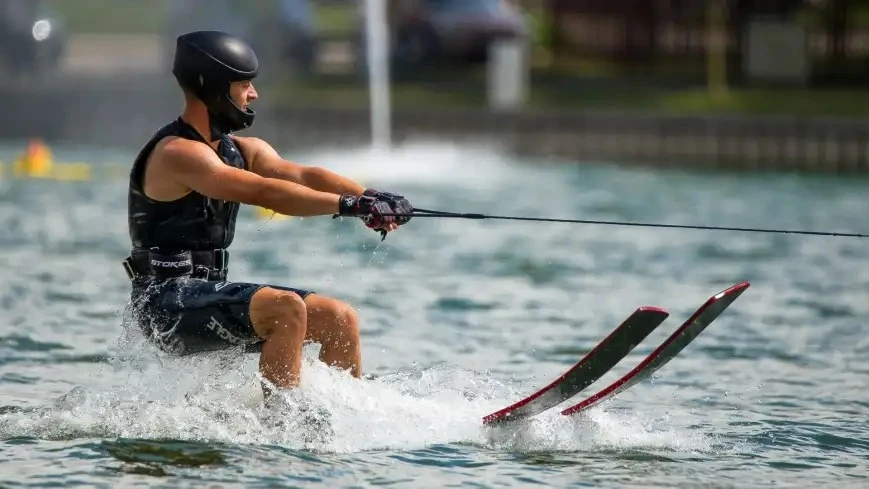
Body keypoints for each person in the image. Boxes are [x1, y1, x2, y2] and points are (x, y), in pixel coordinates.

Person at [122, 30, 414, 401]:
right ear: (212, 87)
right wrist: (348, 207)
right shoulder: (178, 153)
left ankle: (346, 419)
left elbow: (304, 176)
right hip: (165, 303)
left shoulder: (244, 149)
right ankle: (285, 433)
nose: (253, 94)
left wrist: (370, 196)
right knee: (285, 309)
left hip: (206, 294)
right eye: (244, 85)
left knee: (340, 319)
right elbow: (263, 192)